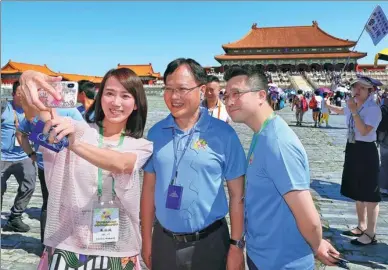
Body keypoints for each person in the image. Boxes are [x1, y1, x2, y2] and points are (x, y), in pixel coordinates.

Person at [18, 68, 153, 269]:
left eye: (125, 96)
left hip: (118, 251)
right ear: (100, 98)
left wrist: (74, 145)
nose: (116, 103)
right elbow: (36, 115)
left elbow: (121, 163)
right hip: (67, 246)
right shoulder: (77, 128)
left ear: (136, 104)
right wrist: (27, 79)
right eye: (109, 93)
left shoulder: (141, 145)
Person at [223, 66, 340, 269]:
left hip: (283, 262)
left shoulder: (277, 142)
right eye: (225, 95)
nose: (229, 101)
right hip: (263, 255)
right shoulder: (262, 133)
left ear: (261, 95)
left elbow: (309, 218)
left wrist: (316, 243)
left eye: (237, 94)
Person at [141, 58, 246, 270]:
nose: (174, 96)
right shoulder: (155, 133)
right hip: (164, 242)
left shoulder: (224, 135)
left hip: (210, 243)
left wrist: (236, 245)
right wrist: (147, 239)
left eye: (182, 89)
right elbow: (148, 190)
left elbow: (238, 195)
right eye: (169, 89)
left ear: (202, 90)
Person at [326, 76, 382, 245]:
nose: (357, 91)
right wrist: (328, 105)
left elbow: (364, 131)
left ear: (370, 91)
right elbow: (342, 111)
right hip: (353, 147)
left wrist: (355, 111)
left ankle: (371, 233)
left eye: (362, 88)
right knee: (357, 190)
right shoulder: (353, 105)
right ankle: (361, 225)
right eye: (355, 88)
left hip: (366, 150)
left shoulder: (373, 109)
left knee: (370, 193)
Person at [17, 104, 84, 243]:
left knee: (54, 204)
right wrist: (31, 154)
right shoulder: (35, 113)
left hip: (65, 166)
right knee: (57, 204)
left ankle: (51, 244)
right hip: (49, 167)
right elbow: (21, 134)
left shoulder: (69, 111)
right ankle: (50, 244)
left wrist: (31, 154)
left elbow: (84, 134)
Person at [1, 81, 36, 232]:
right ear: (14, 94)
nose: (24, 98)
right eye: (21, 94)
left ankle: (15, 217)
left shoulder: (32, 111)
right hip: (2, 156)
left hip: (23, 155)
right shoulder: (3, 107)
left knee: (29, 185)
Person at [377, 97, 388, 196]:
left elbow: (382, 127)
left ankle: (383, 188)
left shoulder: (384, 109)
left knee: (384, 164)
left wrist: (379, 140)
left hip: (385, 141)